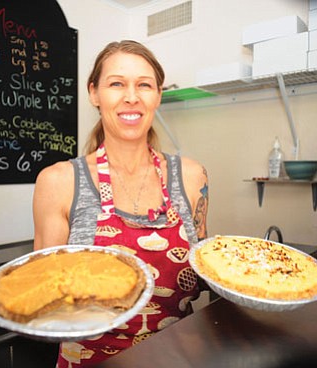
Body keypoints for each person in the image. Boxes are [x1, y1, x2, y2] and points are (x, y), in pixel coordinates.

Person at [33, 40, 209, 367]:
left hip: (179, 359)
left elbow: (202, 274)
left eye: (144, 85)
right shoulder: (58, 182)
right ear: (94, 93)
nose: (132, 96)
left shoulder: (192, 176)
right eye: (116, 84)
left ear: (158, 95)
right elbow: (42, 300)